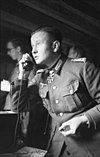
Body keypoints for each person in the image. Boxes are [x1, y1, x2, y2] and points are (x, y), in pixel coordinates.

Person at [10, 26, 100, 157]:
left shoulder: (82, 68)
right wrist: (23, 76)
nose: (33, 51)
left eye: (38, 44)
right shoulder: (40, 77)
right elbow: (18, 107)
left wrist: (83, 119)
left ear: (55, 46)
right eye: (32, 46)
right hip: (57, 148)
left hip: (89, 148)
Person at [1, 38, 34, 147]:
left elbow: (30, 90)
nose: (8, 53)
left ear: (18, 49)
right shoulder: (16, 68)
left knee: (22, 143)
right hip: (11, 108)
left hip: (21, 111)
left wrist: (9, 87)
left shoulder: (28, 68)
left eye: (10, 49)